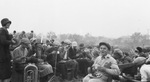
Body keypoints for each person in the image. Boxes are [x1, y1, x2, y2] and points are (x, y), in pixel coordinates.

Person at [0, 18, 15, 82]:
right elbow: (3, 41)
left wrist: (10, 37)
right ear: (4, 24)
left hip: (5, 54)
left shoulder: (5, 31)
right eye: (8, 23)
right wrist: (11, 42)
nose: (9, 24)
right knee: (4, 73)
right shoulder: (2, 31)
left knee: (5, 72)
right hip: (2, 54)